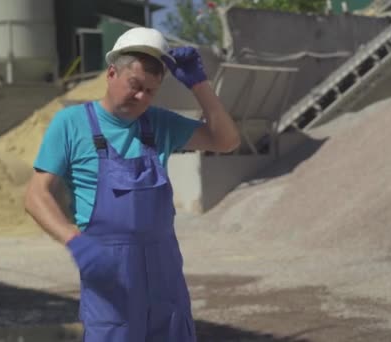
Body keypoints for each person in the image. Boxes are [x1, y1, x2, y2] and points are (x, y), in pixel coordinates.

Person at [24, 27, 240, 341]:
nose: (141, 98)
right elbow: (35, 195)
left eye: (151, 91)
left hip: (165, 279)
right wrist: (75, 241)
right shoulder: (71, 124)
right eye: (134, 85)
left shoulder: (161, 124)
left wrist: (200, 85)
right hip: (111, 281)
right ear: (112, 73)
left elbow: (227, 141)